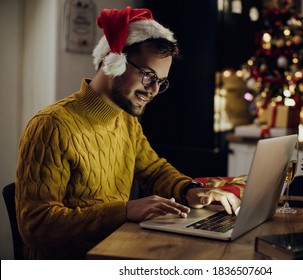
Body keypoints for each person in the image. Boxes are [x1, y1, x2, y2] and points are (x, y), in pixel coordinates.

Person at [15, 6, 240, 260]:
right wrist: (124, 211)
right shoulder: (51, 125)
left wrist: (190, 189)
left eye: (161, 81)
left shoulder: (125, 120)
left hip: (115, 252)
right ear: (115, 60)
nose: (154, 90)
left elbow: (154, 171)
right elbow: (36, 226)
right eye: (148, 75)